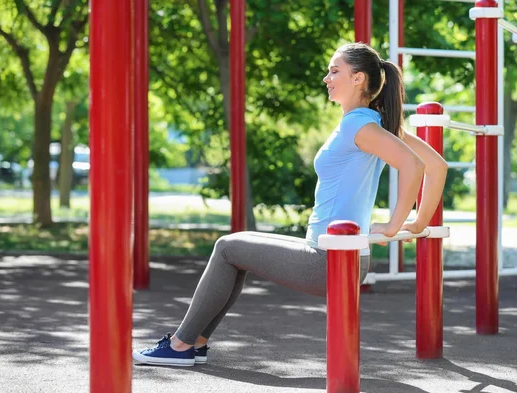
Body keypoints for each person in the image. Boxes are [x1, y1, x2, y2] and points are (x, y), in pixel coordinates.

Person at [132, 42, 448, 367]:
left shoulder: (360, 125)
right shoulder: (374, 123)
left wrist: (397, 226)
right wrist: (418, 223)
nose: (327, 77)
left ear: (358, 79)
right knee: (235, 249)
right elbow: (437, 166)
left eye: (334, 70)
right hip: (341, 255)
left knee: (227, 247)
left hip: (327, 262)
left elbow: (416, 167)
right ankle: (194, 342)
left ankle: (181, 344)